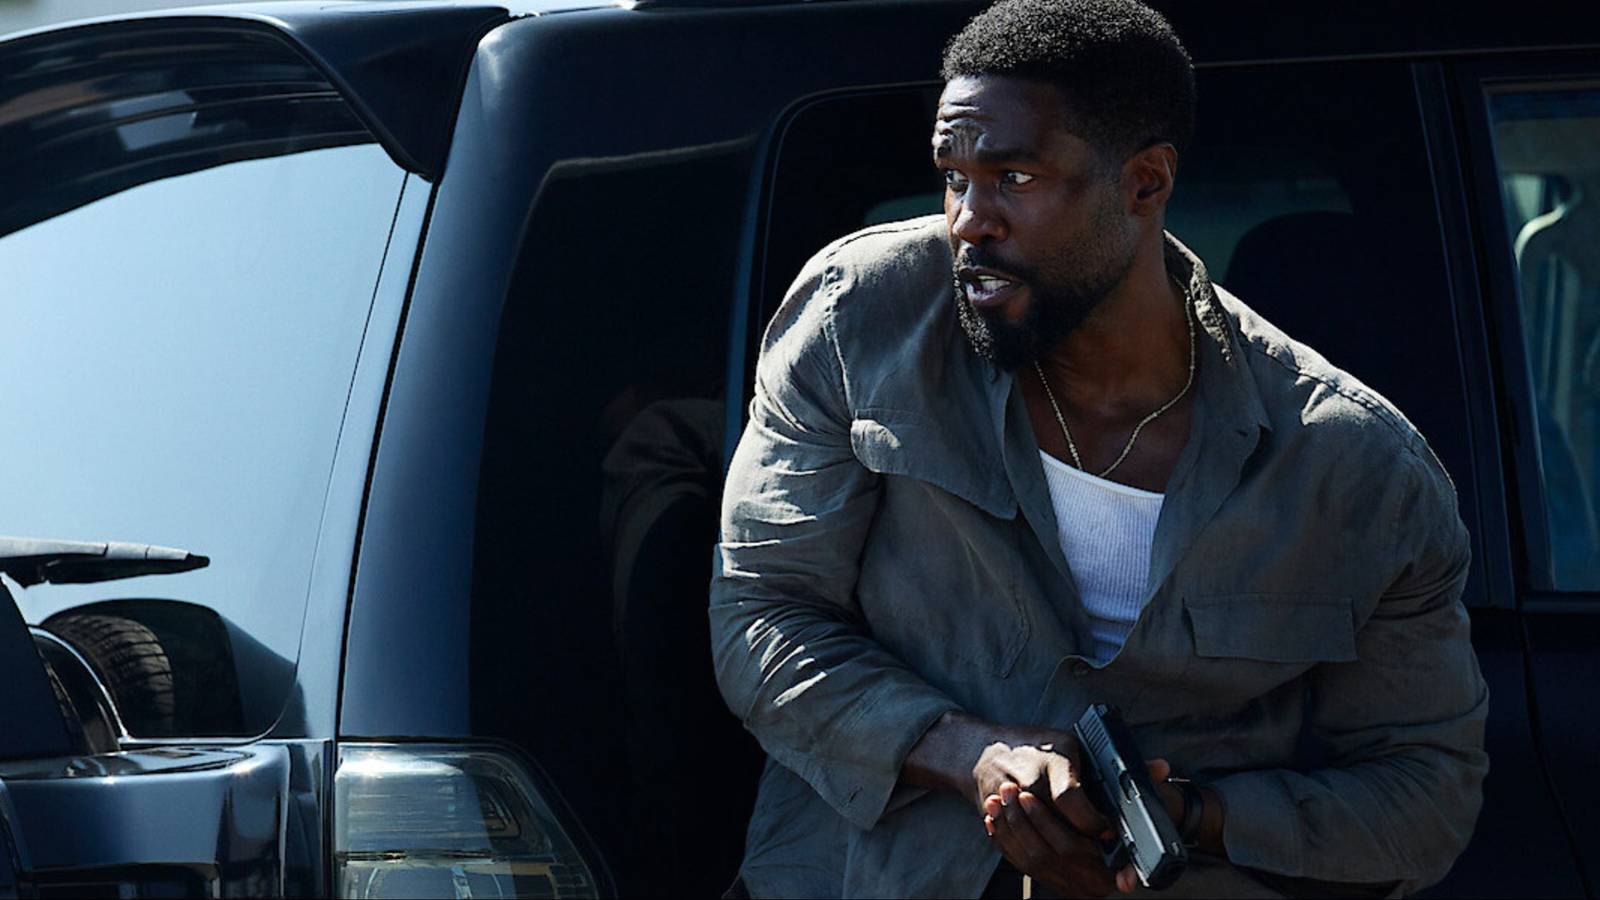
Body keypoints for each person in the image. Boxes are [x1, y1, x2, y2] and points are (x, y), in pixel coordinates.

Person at [708, 0, 1489, 896]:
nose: (968, 220)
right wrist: (965, 752)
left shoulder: (1356, 469)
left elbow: (1424, 793)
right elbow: (760, 613)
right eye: (954, 176)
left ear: (1145, 183)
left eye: (1015, 177)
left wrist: (1185, 816)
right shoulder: (861, 321)